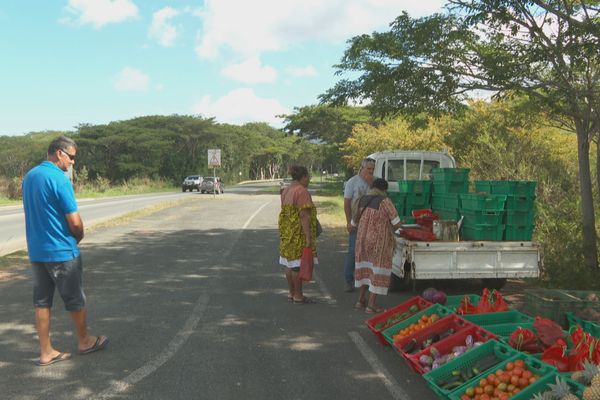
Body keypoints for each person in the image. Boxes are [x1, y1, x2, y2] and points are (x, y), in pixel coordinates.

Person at [22, 136, 109, 366]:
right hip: (61, 251)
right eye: (71, 157)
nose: (72, 162)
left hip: (37, 252)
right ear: (59, 153)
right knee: (75, 299)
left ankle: (45, 351)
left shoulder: (29, 177)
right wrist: (78, 237)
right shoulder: (59, 180)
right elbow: (75, 222)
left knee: (41, 302)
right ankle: (84, 341)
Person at [353, 178, 402, 313]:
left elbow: (353, 222)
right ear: (384, 190)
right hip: (378, 242)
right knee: (377, 271)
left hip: (361, 241)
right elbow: (396, 222)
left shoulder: (362, 200)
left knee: (365, 270)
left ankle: (360, 300)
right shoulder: (385, 202)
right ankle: (371, 305)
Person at [278, 165, 318, 304]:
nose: (309, 181)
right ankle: (298, 295)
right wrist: (308, 237)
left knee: (289, 264)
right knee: (296, 265)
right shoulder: (302, 191)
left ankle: (291, 292)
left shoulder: (286, 190)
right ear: (304, 177)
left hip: (287, 233)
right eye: (308, 177)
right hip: (298, 233)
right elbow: (304, 216)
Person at [343, 157, 375, 292]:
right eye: (369, 169)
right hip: (356, 222)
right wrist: (349, 222)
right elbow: (347, 203)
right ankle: (349, 280)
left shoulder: (375, 181)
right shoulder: (352, 182)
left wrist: (371, 183)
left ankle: (367, 280)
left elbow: (383, 197)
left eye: (373, 169)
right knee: (353, 251)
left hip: (372, 223)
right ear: (361, 168)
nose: (371, 172)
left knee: (369, 252)